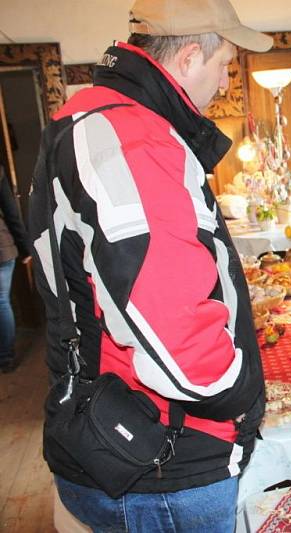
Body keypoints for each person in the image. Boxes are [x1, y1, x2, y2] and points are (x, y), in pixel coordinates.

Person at [28, 0, 273, 530]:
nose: (227, 81)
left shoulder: (91, 116)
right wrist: (241, 395)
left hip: (115, 431)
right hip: (163, 454)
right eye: (225, 63)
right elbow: (180, 338)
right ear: (188, 58)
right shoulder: (133, 138)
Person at [0, 164, 30, 373]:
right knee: (2, 302)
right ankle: (5, 358)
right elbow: (11, 210)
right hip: (3, 247)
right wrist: (25, 246)